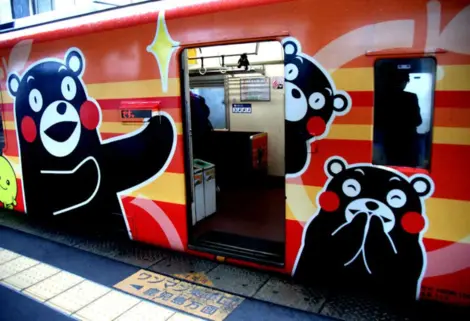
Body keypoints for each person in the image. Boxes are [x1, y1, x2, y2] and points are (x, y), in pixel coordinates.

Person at [377, 71, 422, 167]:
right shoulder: (411, 97)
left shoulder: (383, 98)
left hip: (390, 141)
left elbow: (380, 122)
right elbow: (418, 120)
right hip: (408, 141)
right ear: (404, 82)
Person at [190, 91, 214, 162]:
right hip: (205, 133)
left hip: (197, 136)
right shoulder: (198, 99)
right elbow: (207, 112)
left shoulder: (191, 101)